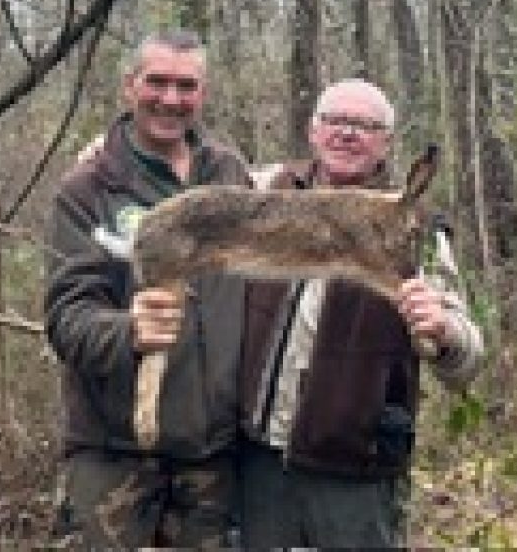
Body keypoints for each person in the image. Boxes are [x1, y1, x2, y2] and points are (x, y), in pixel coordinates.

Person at [238, 78, 485, 550]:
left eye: (365, 126)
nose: (347, 133)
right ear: (313, 130)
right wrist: (109, 147)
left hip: (354, 468)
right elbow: (184, 181)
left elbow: (467, 356)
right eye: (335, 121)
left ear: (386, 144)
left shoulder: (415, 223)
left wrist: (443, 329)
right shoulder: (266, 189)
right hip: (257, 461)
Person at [43, 29, 251, 550]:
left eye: (187, 86)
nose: (171, 99)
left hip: (214, 455)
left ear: (203, 94)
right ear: (129, 87)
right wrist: (128, 331)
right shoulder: (88, 188)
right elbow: (67, 318)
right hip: (114, 452)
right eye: (156, 82)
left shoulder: (231, 174)